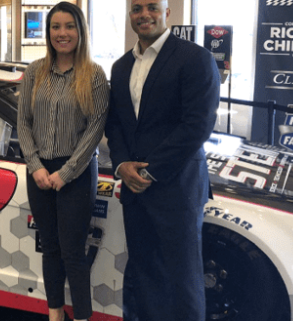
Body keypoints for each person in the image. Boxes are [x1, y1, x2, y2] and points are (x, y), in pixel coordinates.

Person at [104, 0, 220, 320]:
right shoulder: (121, 67)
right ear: (130, 16)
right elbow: (115, 124)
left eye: (152, 7)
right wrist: (122, 164)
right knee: (144, 274)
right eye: (137, 8)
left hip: (177, 187)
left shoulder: (195, 58)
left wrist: (151, 172)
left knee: (182, 278)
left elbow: (197, 125)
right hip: (133, 187)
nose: (144, 15)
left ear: (167, 12)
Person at [17, 2, 109, 321]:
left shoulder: (93, 75)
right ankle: (54, 313)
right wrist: (36, 166)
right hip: (39, 171)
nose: (62, 33)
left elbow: (96, 127)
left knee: (72, 251)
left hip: (78, 173)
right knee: (50, 247)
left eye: (69, 26)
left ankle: (82, 316)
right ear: (48, 33)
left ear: (80, 31)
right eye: (55, 27)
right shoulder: (35, 71)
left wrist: (66, 173)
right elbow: (23, 123)